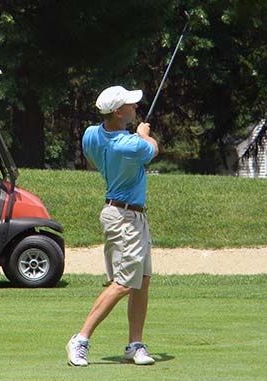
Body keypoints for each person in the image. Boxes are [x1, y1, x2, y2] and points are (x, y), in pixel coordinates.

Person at [66, 86, 159, 366]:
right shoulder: (130, 145)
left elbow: (98, 150)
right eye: (131, 104)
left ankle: (135, 344)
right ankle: (80, 339)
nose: (135, 108)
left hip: (131, 216)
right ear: (119, 112)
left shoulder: (91, 134)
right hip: (123, 218)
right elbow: (153, 148)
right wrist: (143, 134)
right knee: (122, 284)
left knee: (141, 281)